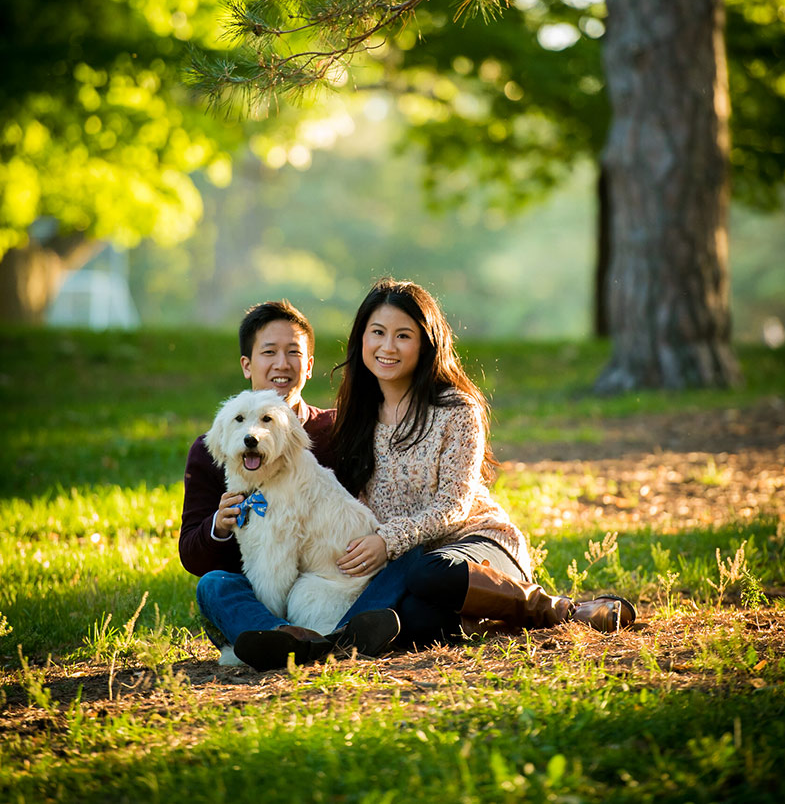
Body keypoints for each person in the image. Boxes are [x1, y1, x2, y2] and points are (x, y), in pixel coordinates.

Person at [329, 277, 636, 648]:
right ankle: (488, 619)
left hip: (473, 547)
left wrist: (388, 539)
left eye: (403, 336)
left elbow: (454, 506)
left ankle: (562, 610)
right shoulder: (354, 417)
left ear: (427, 344)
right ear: (361, 338)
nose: (387, 347)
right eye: (377, 332)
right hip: (408, 567)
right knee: (412, 618)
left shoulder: (455, 409)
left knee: (429, 574)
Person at [179, 300, 418, 671]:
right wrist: (219, 526)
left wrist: (384, 541)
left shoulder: (344, 430)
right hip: (258, 592)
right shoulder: (210, 451)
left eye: (294, 353)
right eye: (269, 352)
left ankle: (281, 643)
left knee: (412, 564)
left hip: (338, 579)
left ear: (308, 365)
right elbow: (192, 554)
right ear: (247, 364)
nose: (282, 364)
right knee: (212, 586)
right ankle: (290, 637)